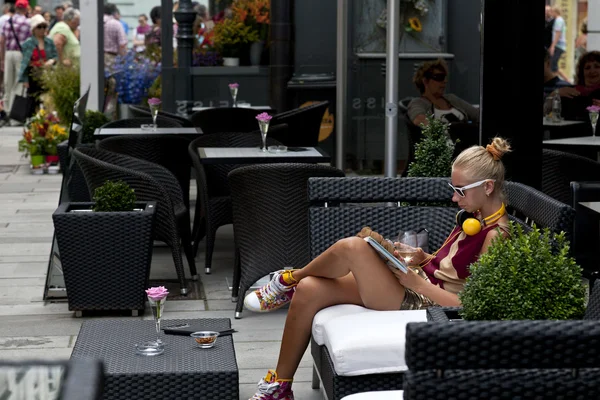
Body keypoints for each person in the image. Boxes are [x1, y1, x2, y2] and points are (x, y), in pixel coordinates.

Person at [243, 138, 512, 399]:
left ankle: (286, 280)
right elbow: (452, 269)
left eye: (461, 190)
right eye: (453, 188)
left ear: (488, 187)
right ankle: (280, 387)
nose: (454, 198)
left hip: (424, 301)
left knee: (353, 248)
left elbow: (471, 304)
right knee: (310, 288)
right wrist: (422, 257)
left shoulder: (495, 237)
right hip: (418, 280)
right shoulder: (473, 216)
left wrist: (417, 284)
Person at [407, 58, 479, 127]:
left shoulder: (451, 98)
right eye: (439, 77)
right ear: (425, 81)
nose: (444, 81)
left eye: (444, 77)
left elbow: (477, 114)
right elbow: (419, 120)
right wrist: (444, 133)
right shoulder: (418, 103)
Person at [0, 0, 31, 123]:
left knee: (8, 82)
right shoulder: (27, 22)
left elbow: (2, 41)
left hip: (8, 53)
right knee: (19, 83)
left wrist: (2, 59)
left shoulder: (8, 21)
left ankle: (6, 112)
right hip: (20, 54)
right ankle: (15, 116)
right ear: (26, 8)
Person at [18, 15, 57, 109]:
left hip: (47, 75)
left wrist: (52, 61)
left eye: (44, 26)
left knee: (48, 100)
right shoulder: (28, 43)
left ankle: (47, 121)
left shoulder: (50, 42)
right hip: (33, 76)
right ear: (33, 29)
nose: (42, 29)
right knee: (33, 102)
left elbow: (56, 56)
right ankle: (33, 122)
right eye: (39, 27)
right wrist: (25, 80)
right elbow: (24, 63)